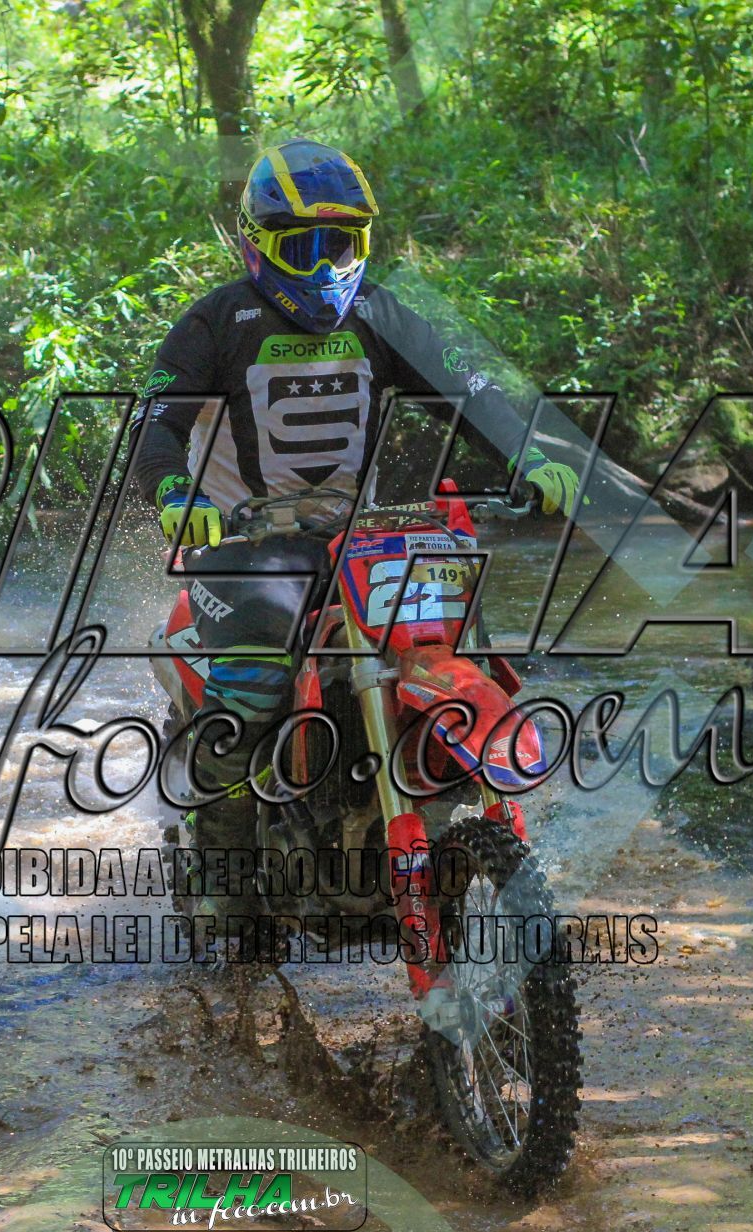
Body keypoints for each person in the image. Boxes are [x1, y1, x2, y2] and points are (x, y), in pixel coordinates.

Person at [133, 137, 581, 857]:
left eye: (339, 245)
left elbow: (467, 391)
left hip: (357, 541)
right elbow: (155, 424)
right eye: (303, 247)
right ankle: (224, 873)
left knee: (449, 637)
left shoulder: (380, 314)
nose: (324, 268)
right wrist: (175, 492)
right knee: (253, 688)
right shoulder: (213, 323)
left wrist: (527, 454)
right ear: (257, 242)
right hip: (242, 547)